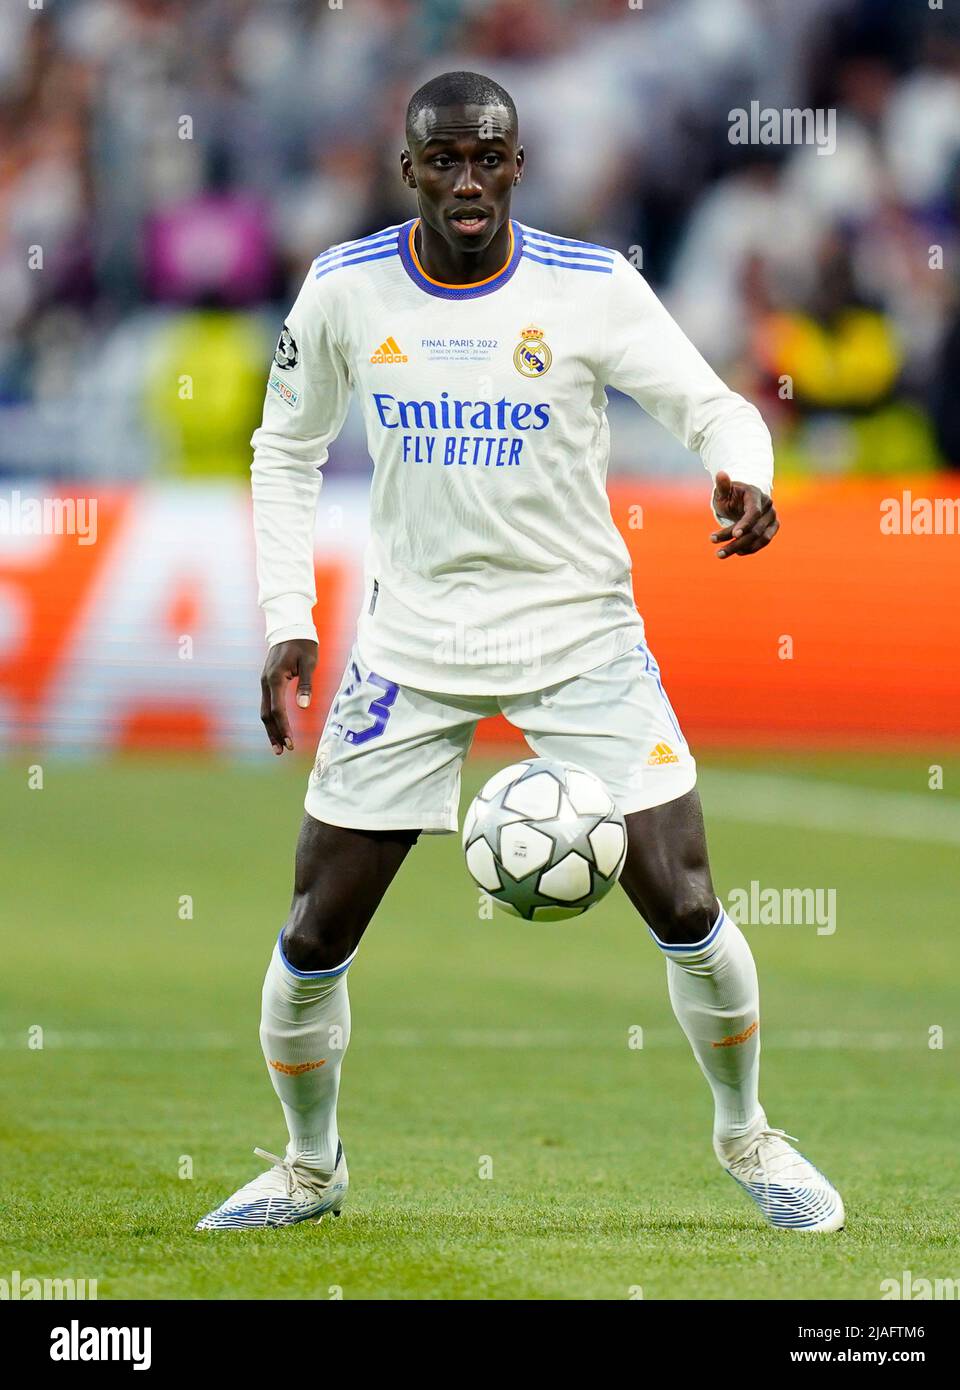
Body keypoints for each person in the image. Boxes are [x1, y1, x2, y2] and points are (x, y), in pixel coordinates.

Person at [196, 71, 843, 1233]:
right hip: (411, 640)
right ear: (410, 172)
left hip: (580, 630)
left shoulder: (591, 289)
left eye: (487, 158)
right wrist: (287, 612)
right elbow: (283, 450)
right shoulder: (343, 291)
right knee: (312, 930)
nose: (467, 181)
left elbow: (715, 407)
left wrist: (747, 471)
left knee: (686, 902)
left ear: (518, 167)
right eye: (443, 160)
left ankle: (749, 1134)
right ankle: (308, 1166)